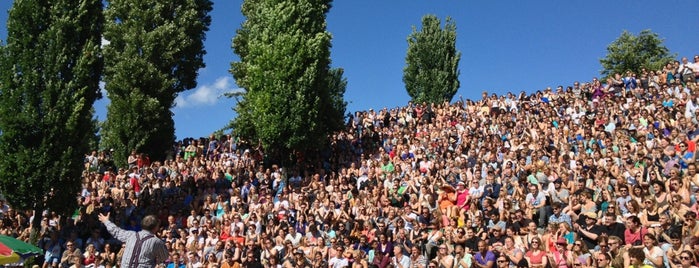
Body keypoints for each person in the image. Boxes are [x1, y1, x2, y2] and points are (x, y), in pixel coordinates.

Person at [98, 212, 168, 267]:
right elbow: (164, 257)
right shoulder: (156, 241)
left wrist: (106, 221)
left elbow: (116, 231)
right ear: (156, 227)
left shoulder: (131, 235)